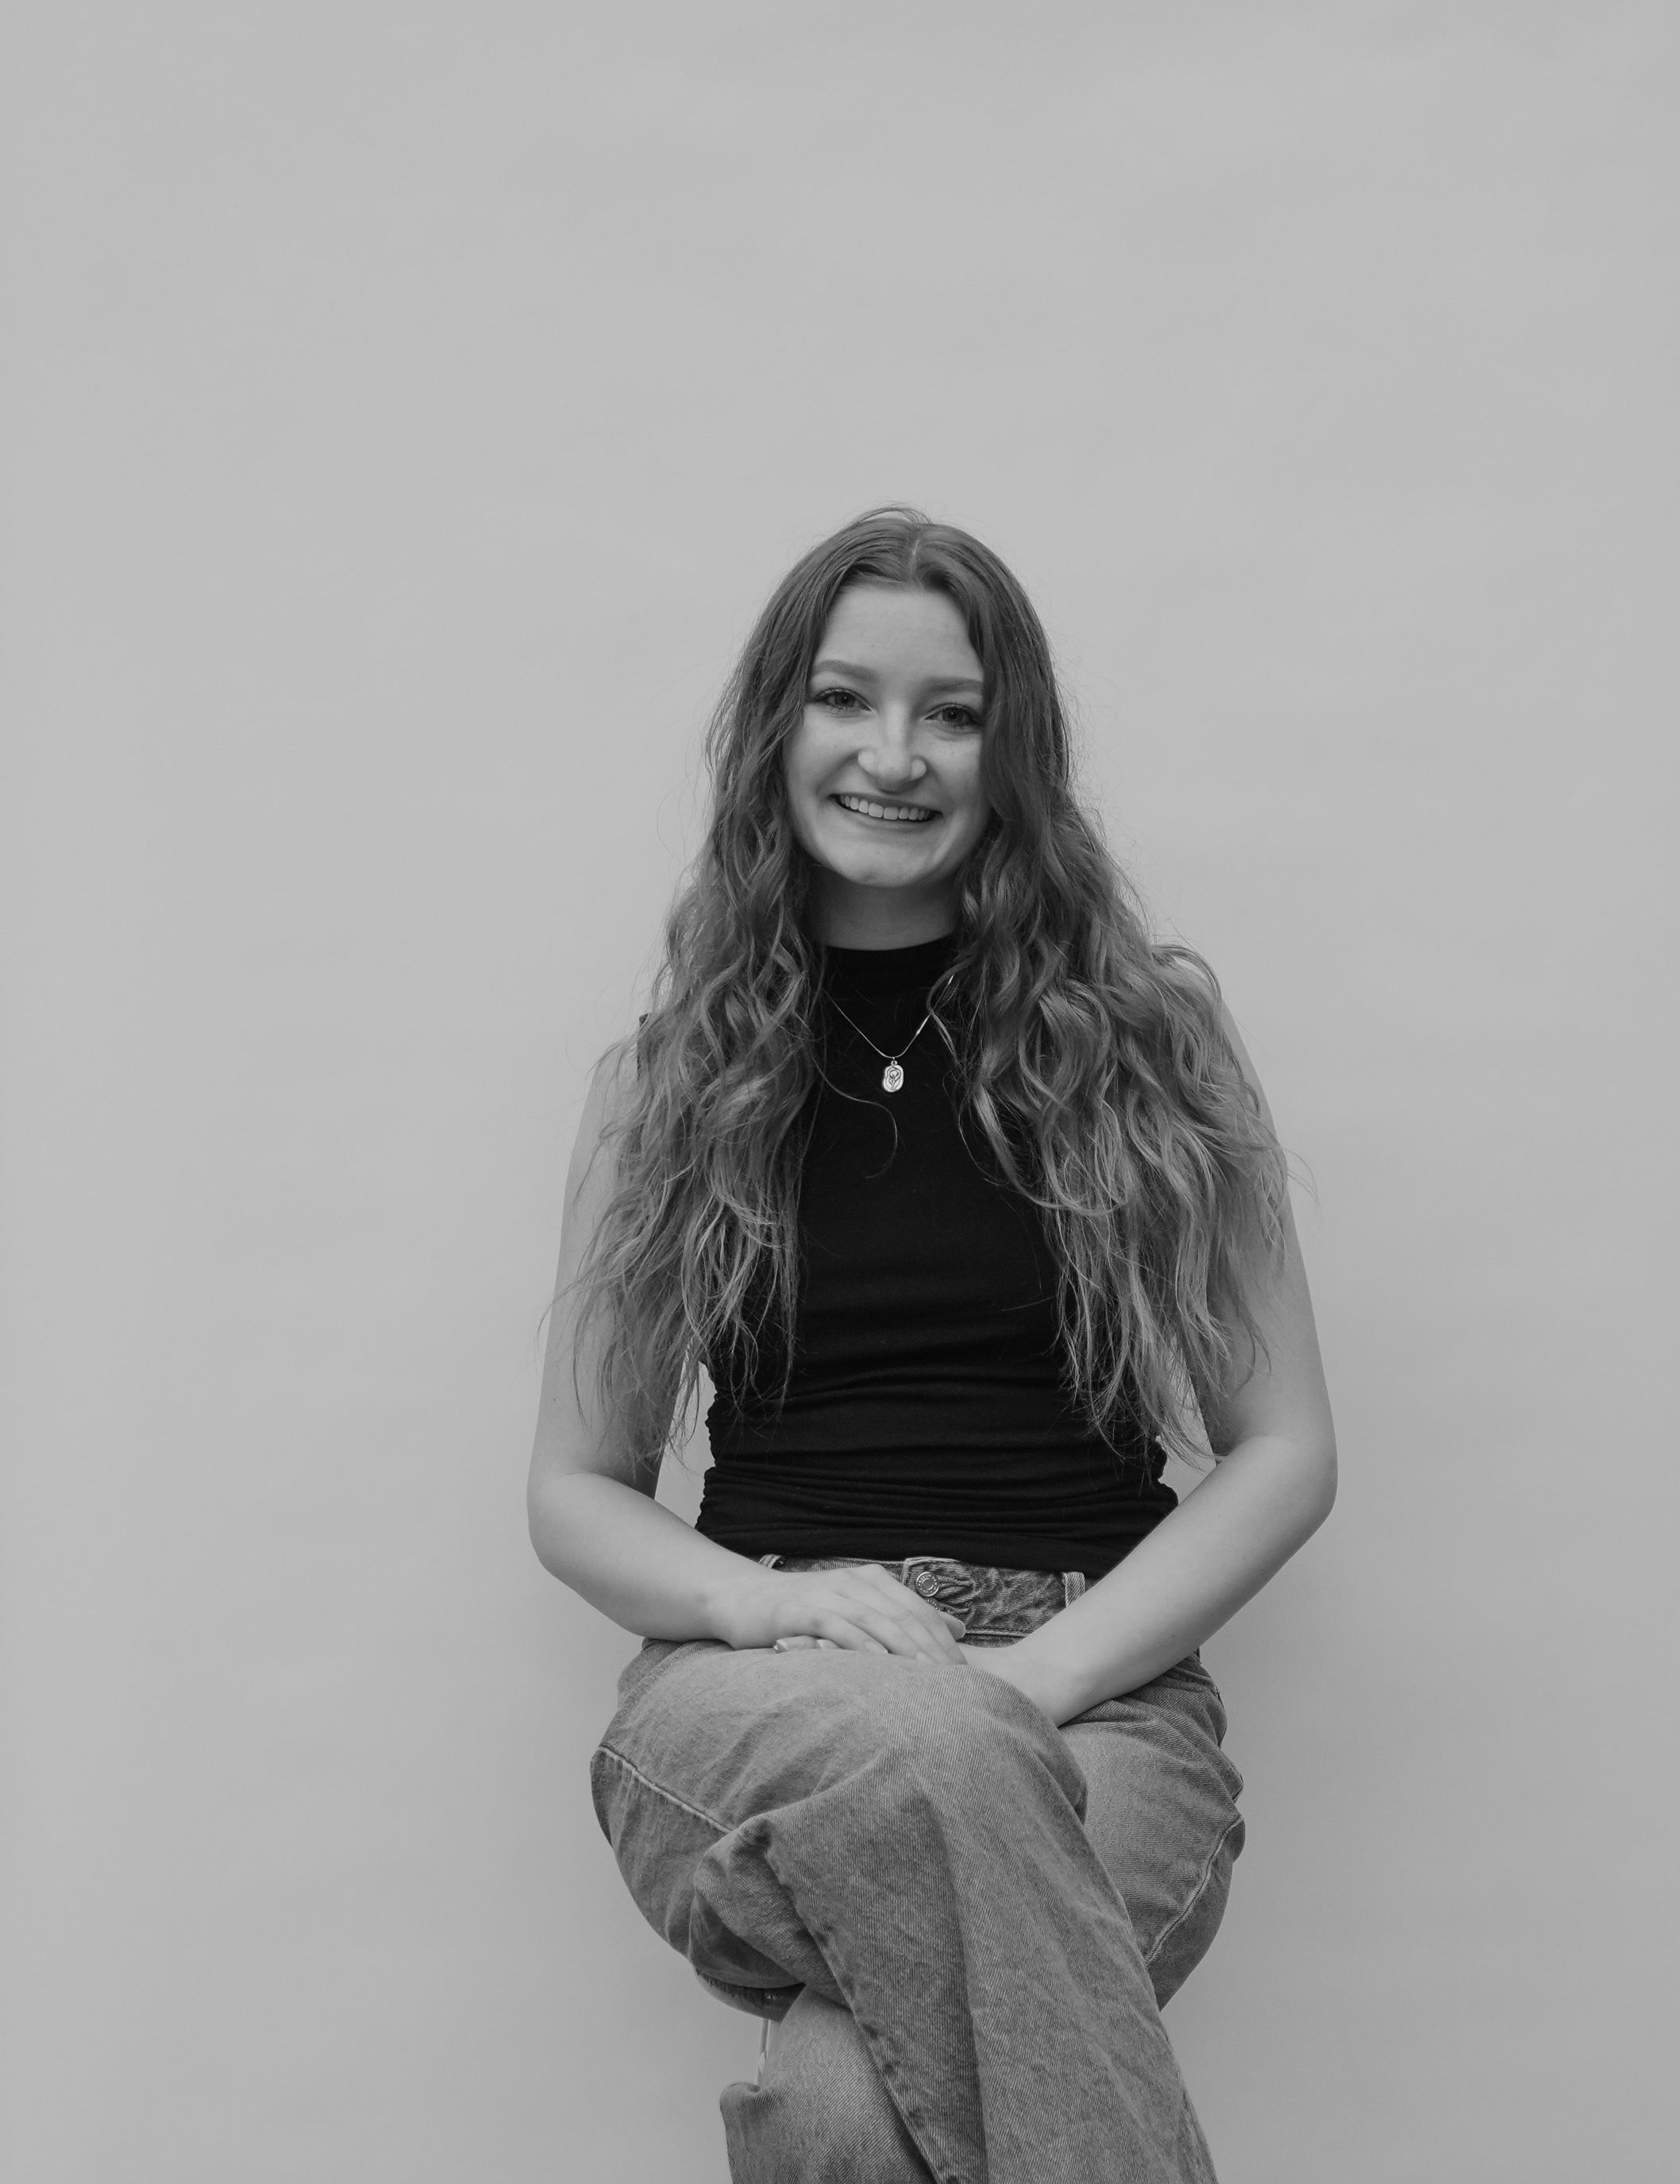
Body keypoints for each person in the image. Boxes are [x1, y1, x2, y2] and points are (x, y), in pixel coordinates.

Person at [527, 508, 1337, 2183]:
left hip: (1091, 1695)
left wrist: (1028, 1687)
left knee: (843, 2111)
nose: (893, 754)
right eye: (845, 699)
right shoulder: (662, 1083)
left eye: (951, 712)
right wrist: (766, 1602)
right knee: (937, 1798)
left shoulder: (1150, 1044)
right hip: (756, 1691)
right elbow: (575, 1493)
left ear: (1009, 750)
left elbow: (1285, 1451)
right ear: (779, 729)